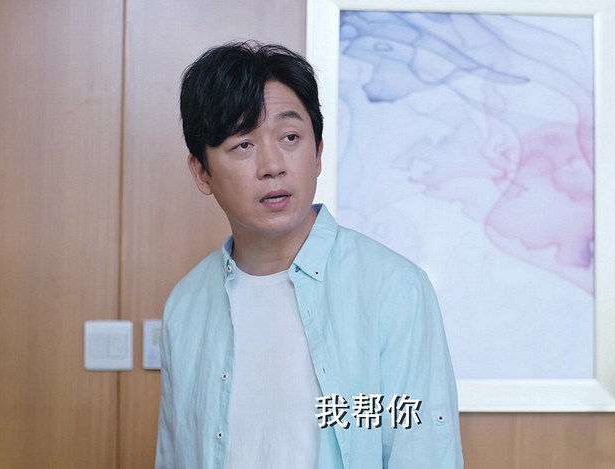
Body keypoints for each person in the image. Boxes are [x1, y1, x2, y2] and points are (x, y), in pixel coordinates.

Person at [155, 40, 463, 469]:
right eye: (243, 144)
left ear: (317, 152)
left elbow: (422, 451)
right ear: (202, 172)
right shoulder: (186, 305)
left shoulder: (393, 289)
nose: (272, 165)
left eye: (290, 137)